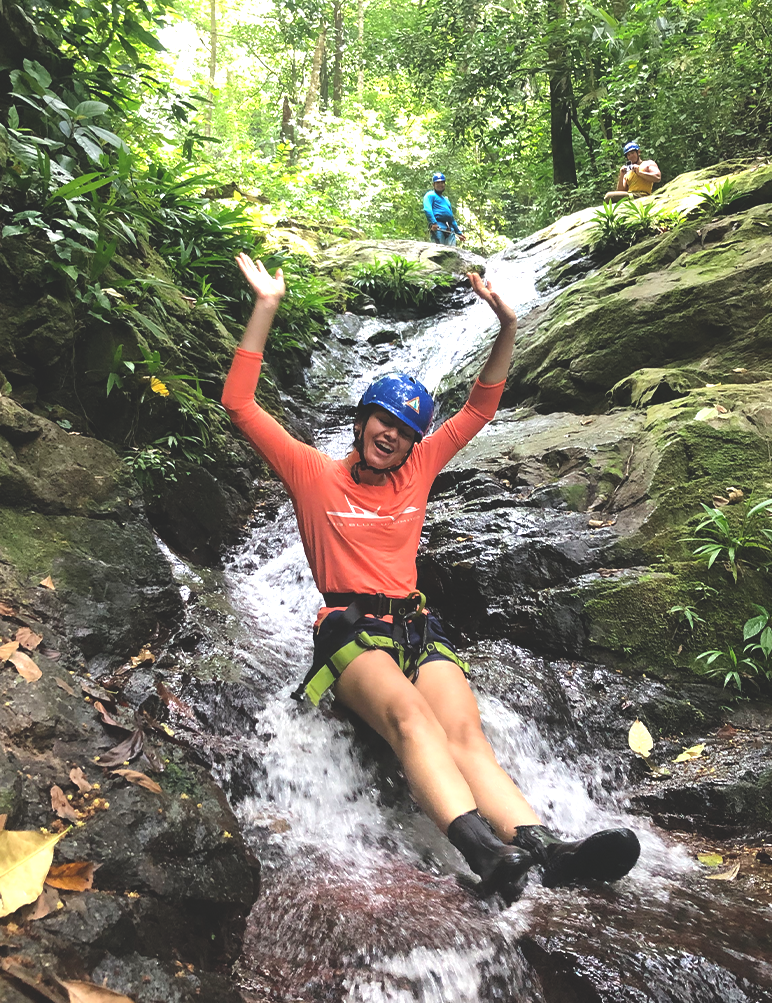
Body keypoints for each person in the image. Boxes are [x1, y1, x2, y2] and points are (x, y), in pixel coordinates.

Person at [222, 254, 641, 901]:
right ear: (363, 420)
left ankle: (546, 849)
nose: (391, 435)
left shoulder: (417, 471)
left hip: (416, 627)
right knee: (413, 717)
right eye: (384, 420)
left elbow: (480, 407)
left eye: (404, 431)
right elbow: (239, 404)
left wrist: (507, 325)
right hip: (349, 631)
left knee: (467, 735)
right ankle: (485, 853)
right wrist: (266, 307)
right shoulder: (311, 473)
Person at [423, 172, 465, 245]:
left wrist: (459, 233)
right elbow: (427, 209)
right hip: (438, 227)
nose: (440, 184)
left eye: (442, 182)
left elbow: (451, 219)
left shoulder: (446, 200)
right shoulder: (430, 195)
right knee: (439, 250)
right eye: (438, 183)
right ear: (433, 184)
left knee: (452, 251)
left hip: (449, 230)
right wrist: (433, 223)